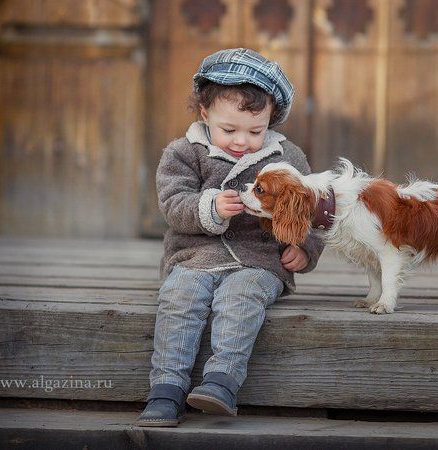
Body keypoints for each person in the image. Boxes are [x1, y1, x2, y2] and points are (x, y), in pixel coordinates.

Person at [135, 48, 324, 427]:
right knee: (179, 299)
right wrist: (209, 207)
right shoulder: (183, 152)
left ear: (271, 118)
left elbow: (309, 211)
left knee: (240, 298)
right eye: (229, 130)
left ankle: (221, 381)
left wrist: (303, 248)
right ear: (204, 114)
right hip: (195, 256)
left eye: (255, 131)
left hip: (260, 261)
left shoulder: (287, 157)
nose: (241, 142)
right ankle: (166, 389)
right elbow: (173, 204)